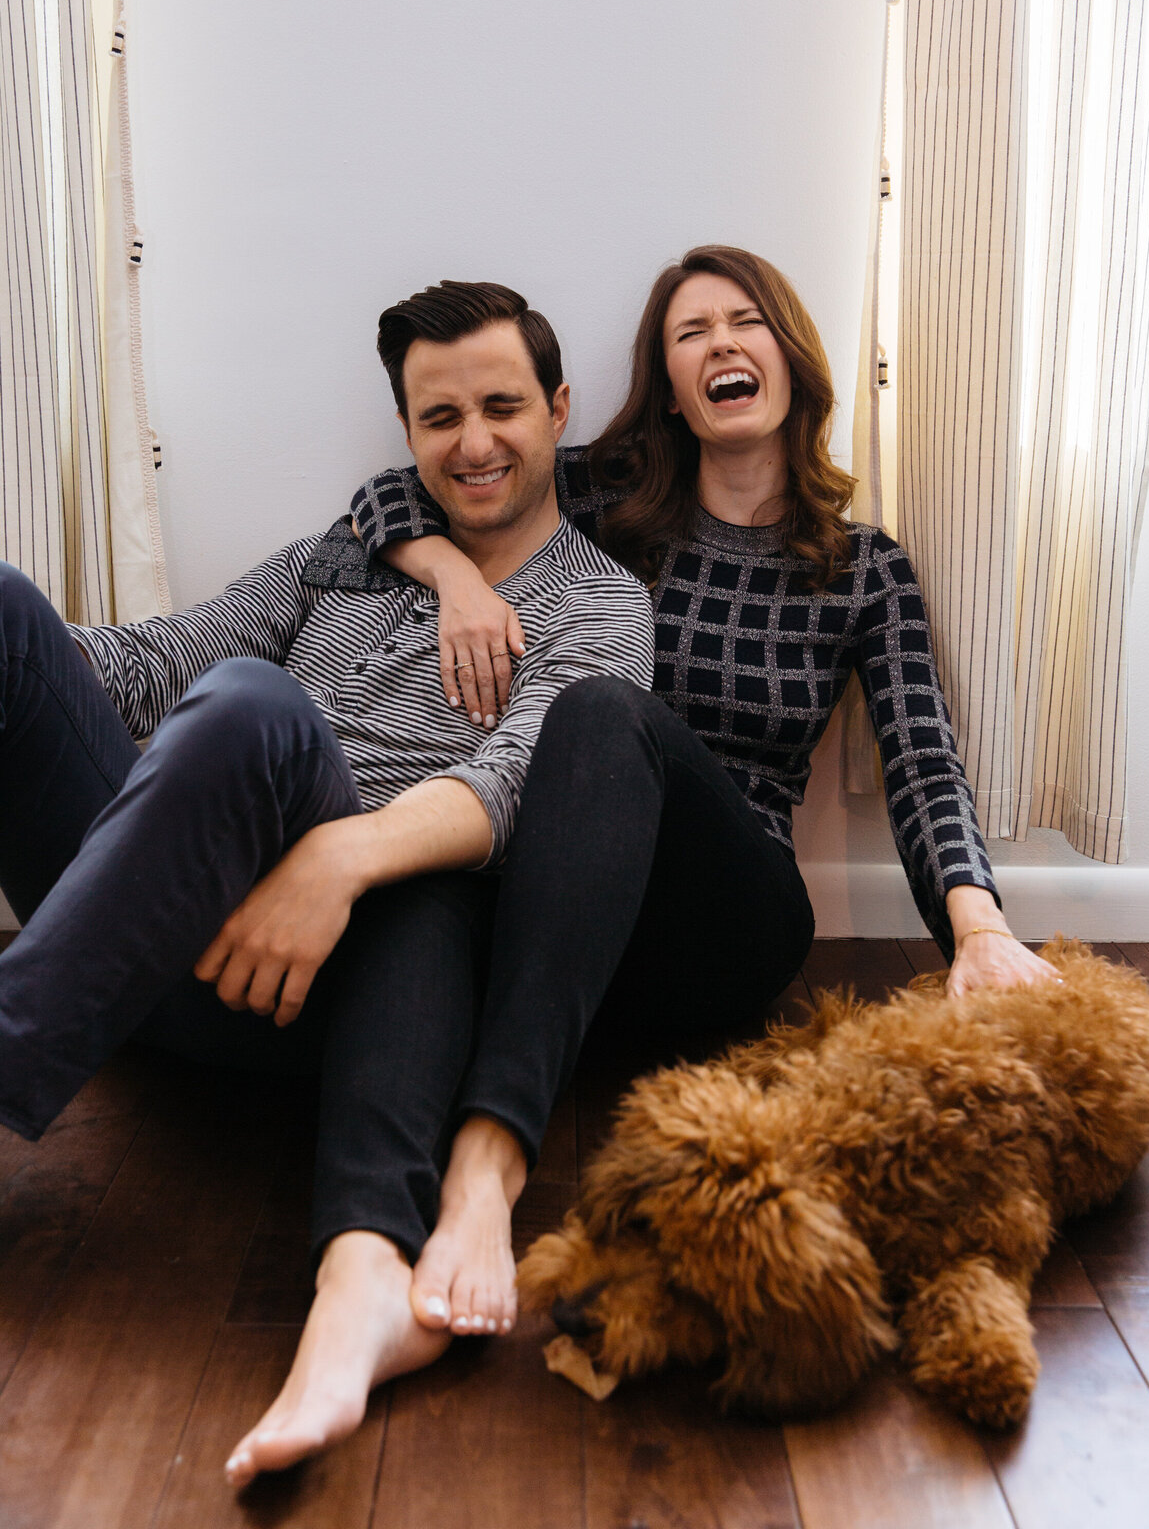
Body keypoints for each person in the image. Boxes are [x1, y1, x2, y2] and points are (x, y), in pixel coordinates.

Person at [0, 281, 654, 1485]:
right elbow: (146, 666)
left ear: (558, 410)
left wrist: (336, 855)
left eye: (503, 407)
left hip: (342, 972)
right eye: (438, 417)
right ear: (407, 434)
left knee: (259, 708)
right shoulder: (333, 564)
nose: (474, 443)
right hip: (156, 918)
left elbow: (518, 782)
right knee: (9, 613)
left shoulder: (606, 608)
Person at [349, 244, 1063, 1348]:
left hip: (723, 920)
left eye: (746, 323)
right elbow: (397, 491)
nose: (722, 345)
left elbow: (923, 758)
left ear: (789, 357)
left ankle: (486, 1175)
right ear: (672, 387)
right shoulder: (602, 498)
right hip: (565, 900)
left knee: (599, 708)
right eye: (691, 334)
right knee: (521, 794)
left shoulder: (863, 568)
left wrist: (977, 929)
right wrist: (454, 581)